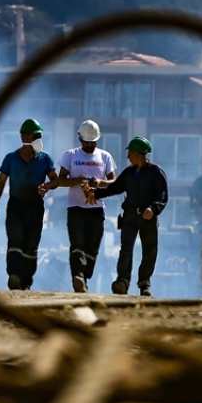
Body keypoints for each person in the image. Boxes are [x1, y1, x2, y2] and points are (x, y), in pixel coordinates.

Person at [42, 120, 117, 293]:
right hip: (75, 208)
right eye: (86, 142)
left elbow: (115, 182)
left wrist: (98, 183)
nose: (90, 145)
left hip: (96, 209)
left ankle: (84, 276)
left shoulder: (105, 157)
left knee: (92, 248)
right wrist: (76, 181)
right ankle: (78, 276)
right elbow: (60, 180)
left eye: (93, 142)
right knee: (77, 244)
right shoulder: (71, 156)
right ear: (80, 139)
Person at [90, 137, 168, 297]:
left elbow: (162, 194)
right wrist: (95, 194)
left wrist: (153, 208)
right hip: (130, 217)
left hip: (148, 218)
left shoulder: (155, 173)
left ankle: (144, 284)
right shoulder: (129, 173)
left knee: (149, 251)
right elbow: (114, 188)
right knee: (126, 249)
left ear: (139, 154)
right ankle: (122, 282)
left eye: (130, 153)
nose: (128, 156)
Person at [0, 118, 59, 290]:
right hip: (16, 206)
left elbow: (55, 180)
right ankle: (14, 275)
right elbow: (0, 182)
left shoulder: (45, 159)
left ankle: (26, 281)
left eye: (39, 136)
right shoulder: (11, 159)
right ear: (24, 138)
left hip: (35, 206)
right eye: (35, 136)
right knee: (15, 239)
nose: (38, 139)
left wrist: (47, 186)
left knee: (31, 244)